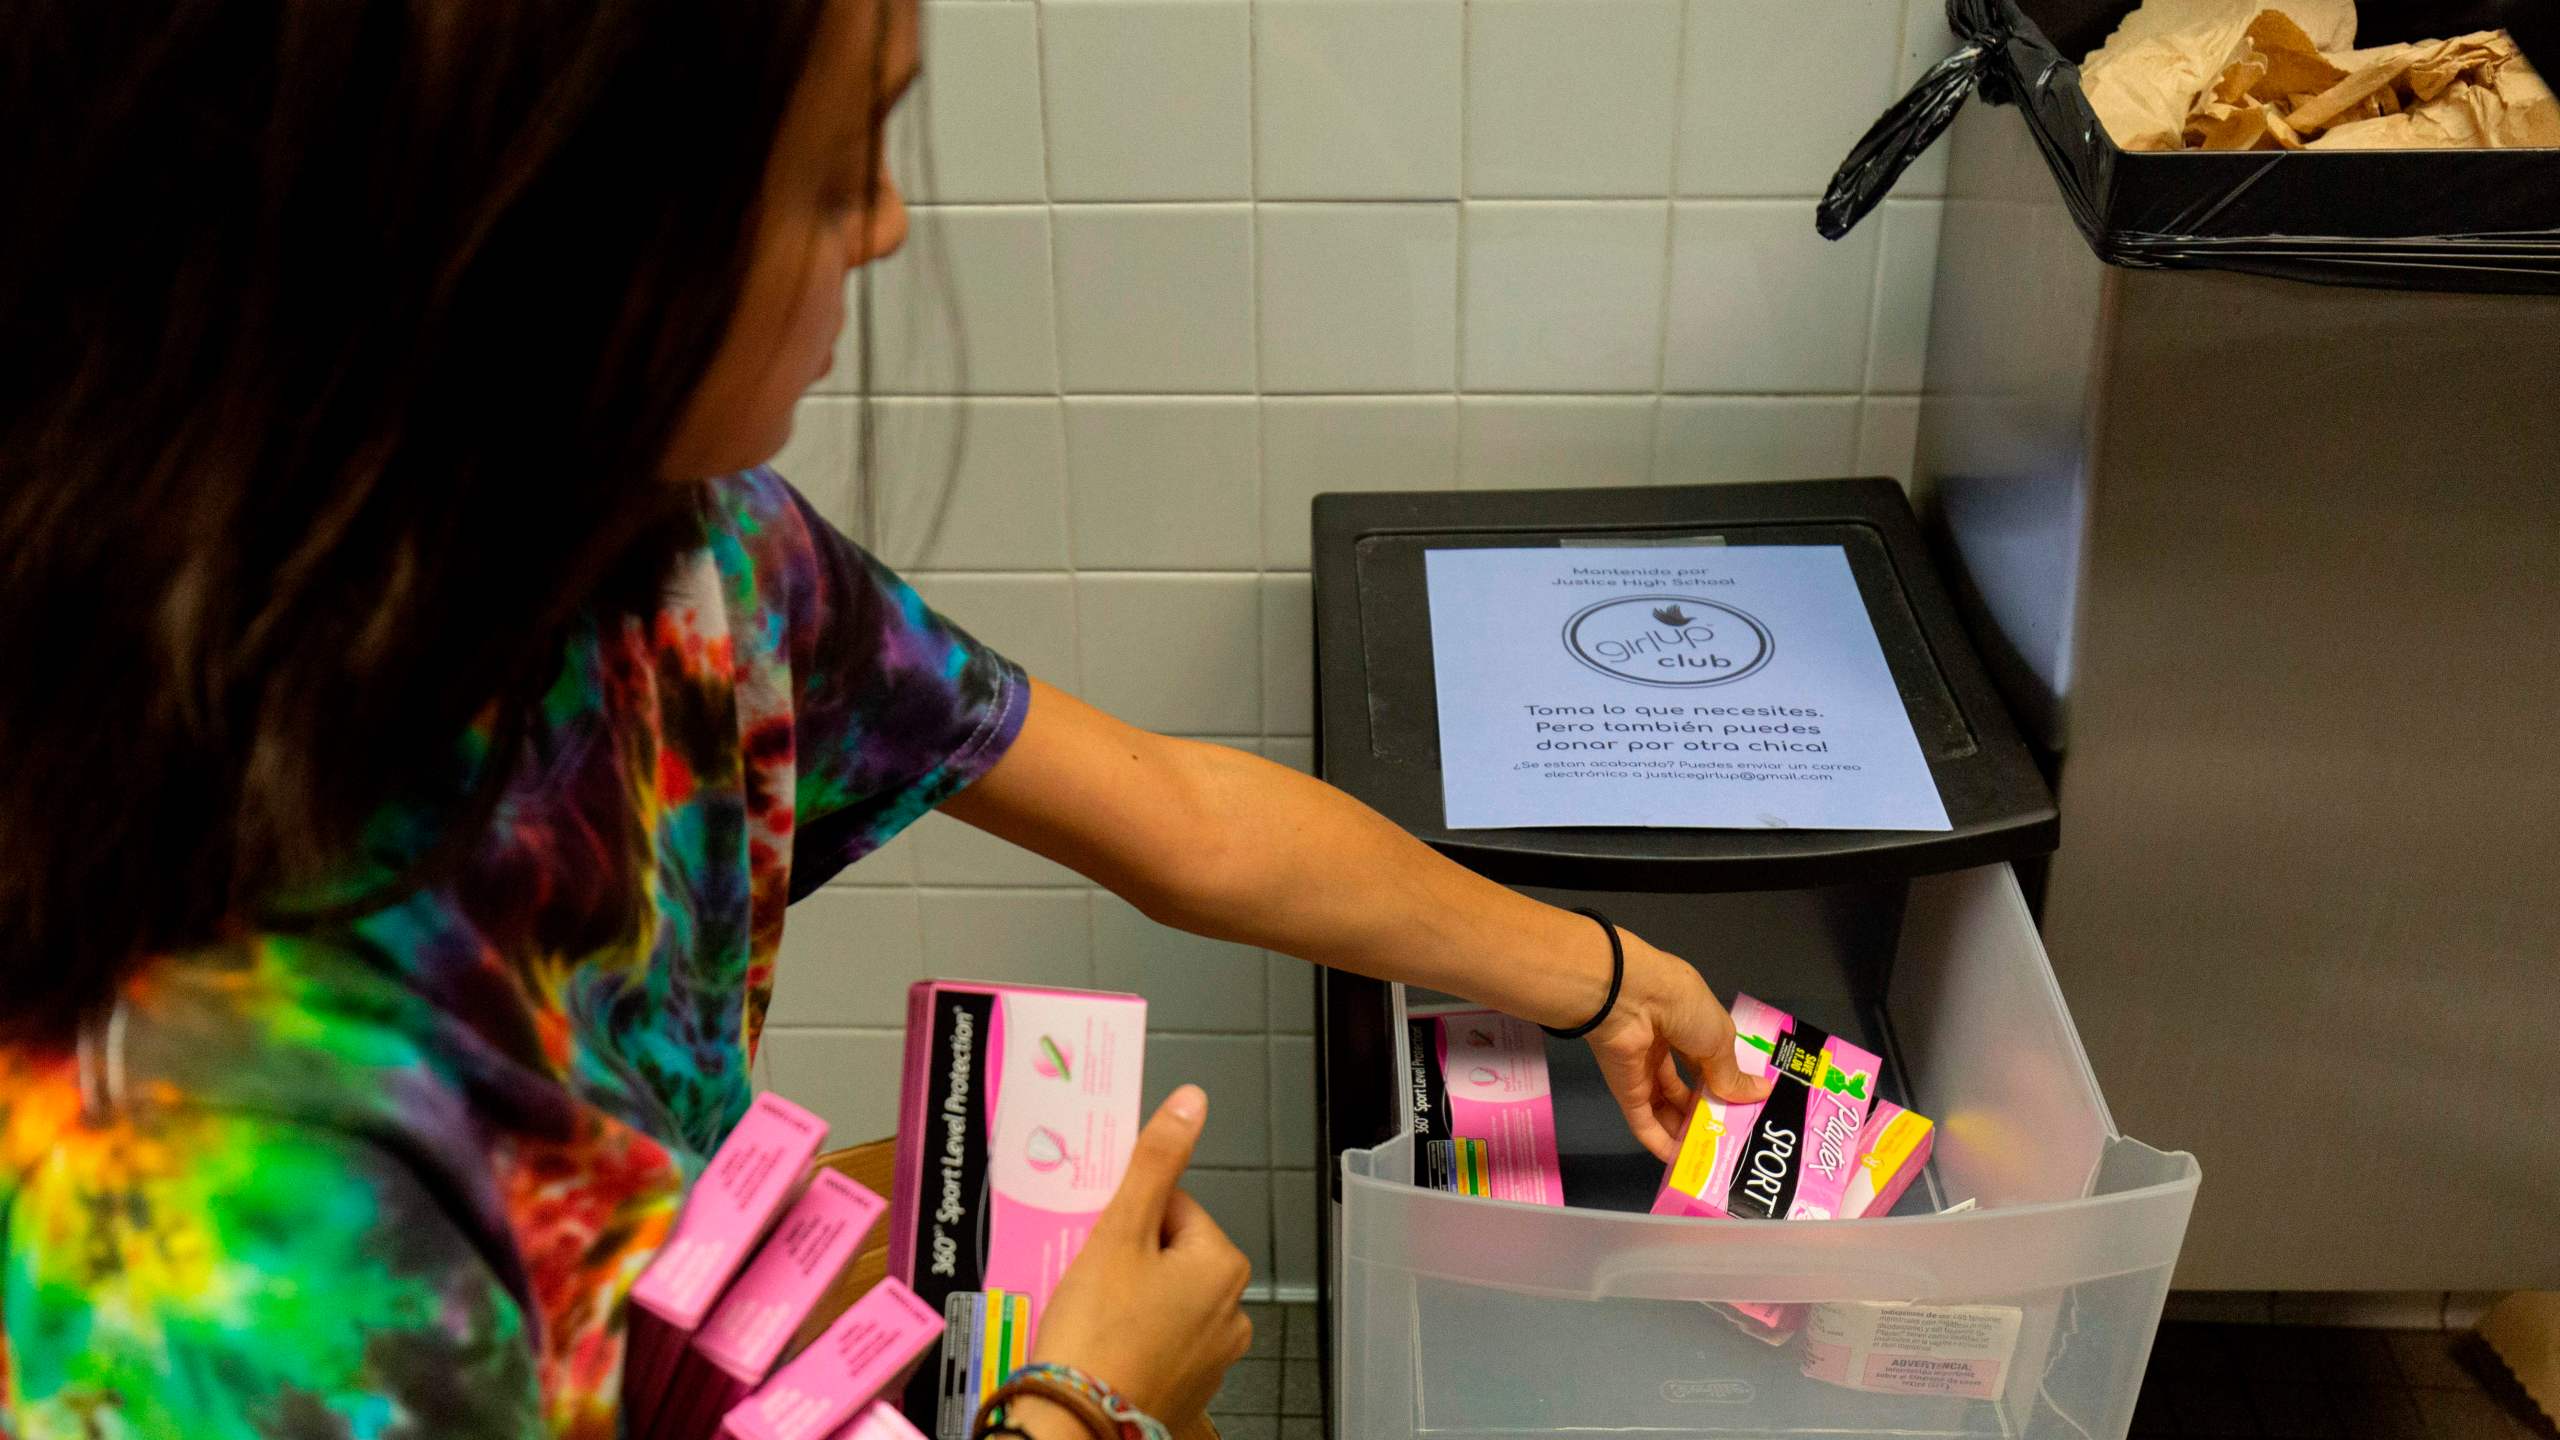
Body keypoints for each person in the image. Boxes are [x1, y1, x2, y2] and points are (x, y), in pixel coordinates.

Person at [0, 1, 1769, 1436]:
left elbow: (1182, 819)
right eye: (840, 164)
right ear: (546, 227)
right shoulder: (218, 1214)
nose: (892, 224)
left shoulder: (670, 557)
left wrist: (1615, 974)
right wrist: (1083, 1407)